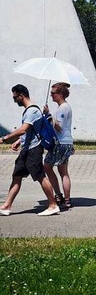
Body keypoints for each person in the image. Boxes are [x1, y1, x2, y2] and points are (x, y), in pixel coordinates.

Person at [0, 84, 60, 216]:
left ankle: (53, 205)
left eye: (15, 97)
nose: (14, 100)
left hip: (34, 149)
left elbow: (24, 129)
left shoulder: (32, 111)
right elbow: (28, 132)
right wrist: (19, 141)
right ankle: (6, 206)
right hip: (26, 149)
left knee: (40, 176)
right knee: (17, 176)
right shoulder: (28, 111)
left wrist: (5, 138)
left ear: (21, 95)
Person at [43, 82, 74, 208]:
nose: (51, 96)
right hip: (67, 142)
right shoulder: (66, 107)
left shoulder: (62, 108)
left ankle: (58, 195)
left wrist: (49, 115)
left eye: (53, 93)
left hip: (60, 142)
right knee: (63, 171)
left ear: (60, 94)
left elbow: (59, 127)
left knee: (47, 167)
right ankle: (66, 200)